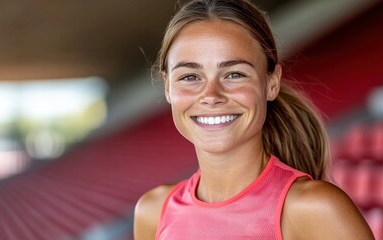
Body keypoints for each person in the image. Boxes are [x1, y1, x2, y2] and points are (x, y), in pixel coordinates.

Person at [134, 0, 375, 239]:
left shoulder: (315, 210)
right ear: (167, 87)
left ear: (272, 83)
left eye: (234, 74)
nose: (211, 96)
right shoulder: (153, 212)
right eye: (189, 77)